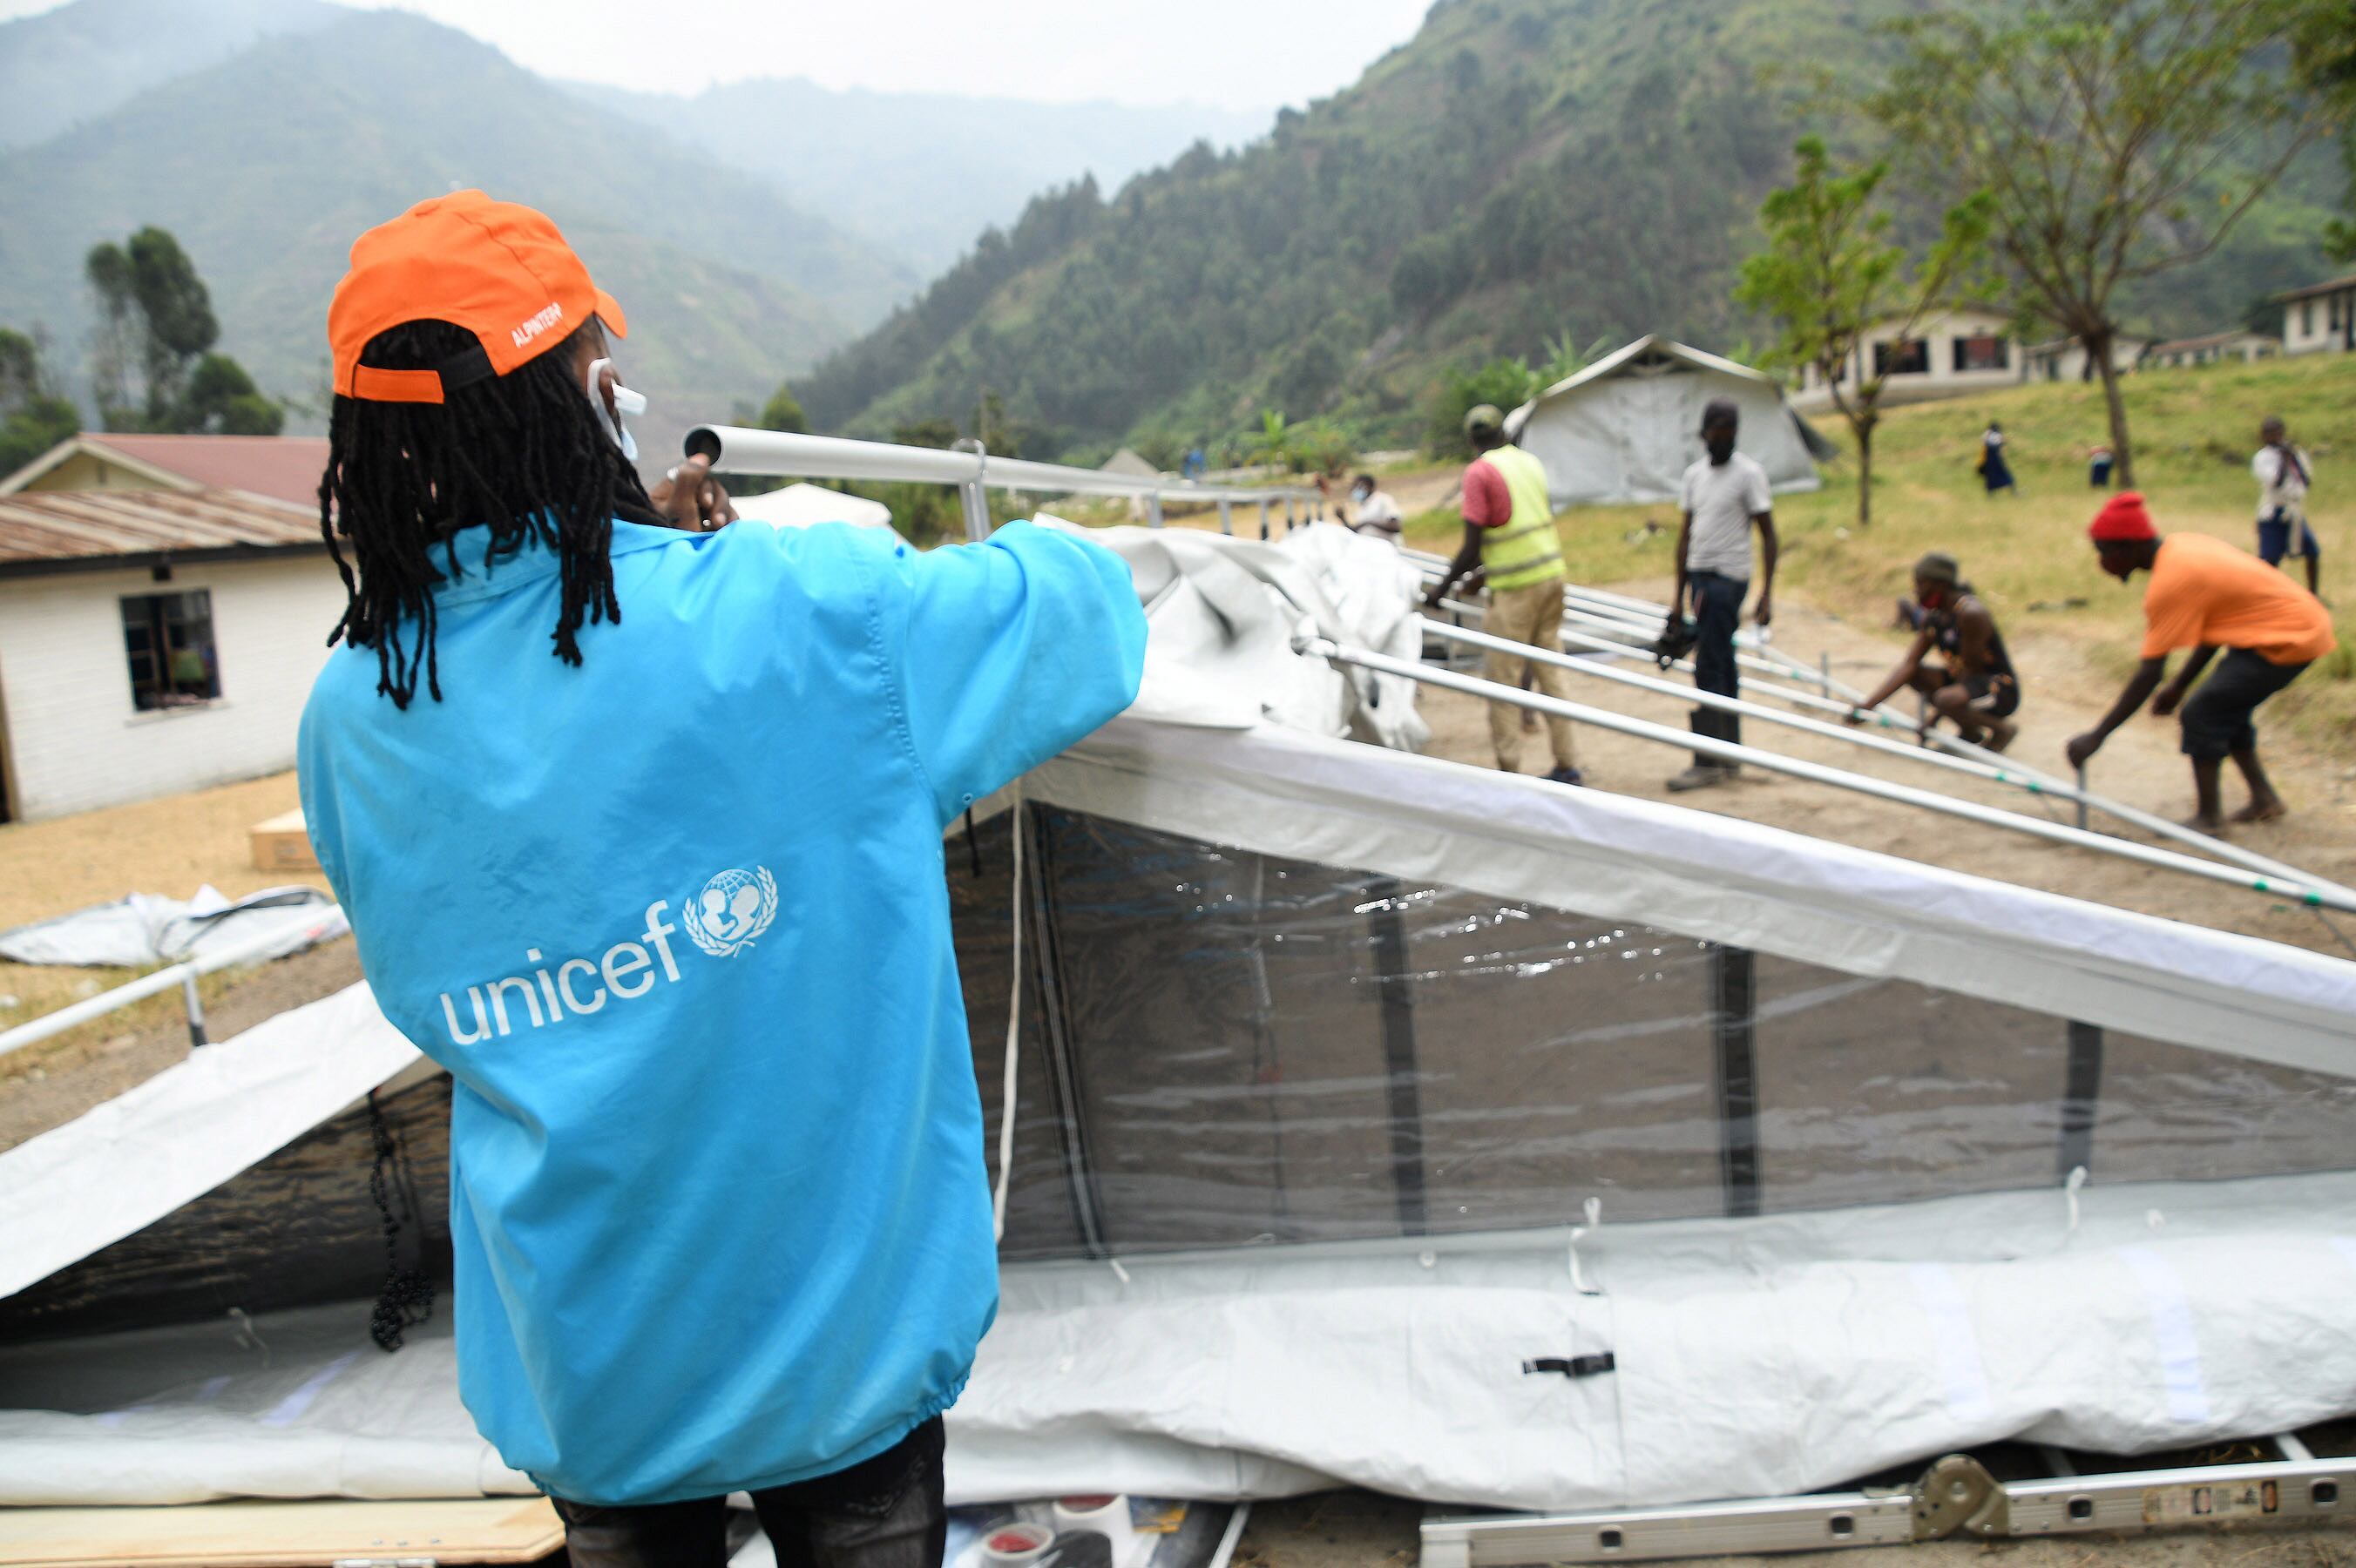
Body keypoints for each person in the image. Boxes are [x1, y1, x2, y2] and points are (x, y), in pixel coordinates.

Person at [297, 192, 1148, 1568]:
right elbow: (1081, 613)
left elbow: (431, 973)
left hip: (592, 1360)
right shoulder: (793, 609)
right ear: (595, 392)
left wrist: (633, 551)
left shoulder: (352, 712)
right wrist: (714, 562)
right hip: (838, 1348)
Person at [2065, 492, 2334, 834]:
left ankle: (2210, 818)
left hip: (2290, 636)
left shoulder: (2171, 580)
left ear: (2129, 547)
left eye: (2104, 551)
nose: (2101, 561)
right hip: (2282, 627)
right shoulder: (2180, 548)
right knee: (2224, 705)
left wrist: (2097, 735)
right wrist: (2178, 686)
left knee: (2203, 712)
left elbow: (2149, 674)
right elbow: (2213, 629)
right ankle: (2264, 799)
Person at [1423, 403, 1581, 785]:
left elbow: (1472, 543)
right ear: (1504, 433)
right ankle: (1567, 762)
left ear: (1470, 440)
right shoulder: (1529, 463)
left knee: (1503, 682)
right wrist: (1481, 574)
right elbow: (1517, 527)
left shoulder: (1480, 473)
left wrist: (1440, 591)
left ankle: (1510, 771)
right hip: (1551, 579)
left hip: (1515, 592)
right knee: (1551, 674)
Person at [1663, 398, 1777, 792]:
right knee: (1722, 661)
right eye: (1717, 430)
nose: (1724, 437)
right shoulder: (1694, 477)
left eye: (1731, 430)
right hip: (1698, 577)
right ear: (1704, 433)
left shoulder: (1749, 474)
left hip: (1727, 580)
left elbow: (1768, 534)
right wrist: (1676, 600)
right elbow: (1685, 536)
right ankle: (1730, 752)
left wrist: (1766, 594)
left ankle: (1708, 759)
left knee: (1709, 665)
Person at [1849, 552, 2021, 752]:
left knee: (1946, 698)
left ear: (1940, 585)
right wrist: (1868, 706)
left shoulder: (1971, 614)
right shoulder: (1936, 616)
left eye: (1920, 584)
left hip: (1998, 689)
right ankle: (1970, 732)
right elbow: (1910, 664)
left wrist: (1935, 717)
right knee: (1917, 675)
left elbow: (1971, 672)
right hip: (1966, 683)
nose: (1916, 591)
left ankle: (2002, 730)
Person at [2252, 416, 2320, 598]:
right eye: (2268, 434)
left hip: (2293, 512)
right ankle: (2262, 596)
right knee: (2269, 558)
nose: (2273, 437)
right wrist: (2283, 459)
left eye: (2276, 433)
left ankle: (2313, 594)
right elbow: (2276, 482)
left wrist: (2293, 459)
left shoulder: (2295, 454)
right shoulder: (2263, 457)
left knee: (2312, 550)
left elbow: (2305, 480)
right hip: (2272, 513)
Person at [1317, 470, 1405, 540]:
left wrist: (1368, 523)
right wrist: (1343, 519)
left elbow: (1396, 527)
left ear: (1368, 486)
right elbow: (1356, 532)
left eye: (1356, 486)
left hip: (1390, 552)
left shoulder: (1383, 500)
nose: (1353, 490)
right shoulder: (1363, 507)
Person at [1976, 421, 2016, 496]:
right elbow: (1999, 444)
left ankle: (1990, 496)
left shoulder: (1987, 435)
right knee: (2006, 477)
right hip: (1996, 460)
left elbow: (1985, 443)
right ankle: (2014, 493)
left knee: (1991, 480)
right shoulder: (1996, 435)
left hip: (1989, 462)